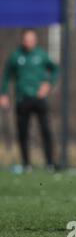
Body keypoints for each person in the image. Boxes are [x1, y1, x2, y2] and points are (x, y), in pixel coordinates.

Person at [0, 28, 59, 172]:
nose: (29, 43)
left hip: (39, 98)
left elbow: (55, 69)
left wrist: (48, 84)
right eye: (26, 40)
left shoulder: (41, 55)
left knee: (45, 130)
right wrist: (3, 94)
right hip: (22, 98)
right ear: (22, 40)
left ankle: (50, 163)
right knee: (23, 132)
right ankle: (27, 164)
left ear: (36, 40)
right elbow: (6, 76)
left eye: (31, 40)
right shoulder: (16, 56)